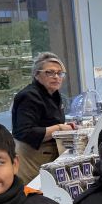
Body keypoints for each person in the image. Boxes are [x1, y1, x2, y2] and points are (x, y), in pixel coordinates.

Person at [11, 51, 74, 183]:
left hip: (47, 156)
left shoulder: (54, 94)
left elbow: (48, 120)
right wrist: (59, 128)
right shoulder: (29, 96)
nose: (56, 77)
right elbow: (25, 132)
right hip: (31, 158)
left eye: (59, 73)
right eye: (49, 72)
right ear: (36, 74)